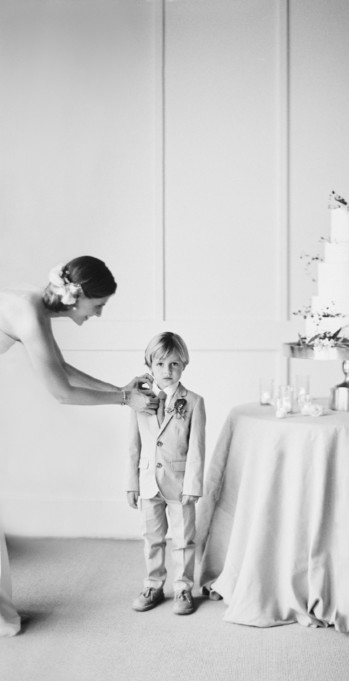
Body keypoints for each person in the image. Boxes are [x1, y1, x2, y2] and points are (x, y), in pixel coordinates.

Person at [0, 256, 158, 637]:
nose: (99, 315)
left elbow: (61, 367)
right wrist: (125, 402)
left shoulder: (33, 304)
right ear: (78, 296)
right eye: (98, 306)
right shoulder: (27, 310)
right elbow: (62, 393)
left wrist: (121, 390)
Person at [126, 332, 205, 616]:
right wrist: (131, 482)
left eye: (174, 364)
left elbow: (196, 447)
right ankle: (153, 585)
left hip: (180, 483)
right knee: (152, 537)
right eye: (160, 364)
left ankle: (183, 587)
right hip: (148, 482)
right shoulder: (139, 400)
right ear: (150, 365)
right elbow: (134, 445)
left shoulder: (194, 402)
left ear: (183, 365)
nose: (167, 371)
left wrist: (194, 485)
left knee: (184, 538)